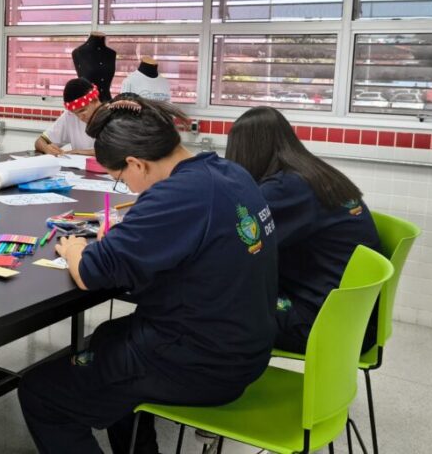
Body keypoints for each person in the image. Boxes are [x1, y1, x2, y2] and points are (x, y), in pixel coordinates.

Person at [19, 95, 278, 454]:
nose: (126, 188)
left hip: (202, 362)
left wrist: (76, 249)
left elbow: (93, 272)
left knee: (40, 392)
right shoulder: (229, 172)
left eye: (120, 179)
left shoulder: (176, 194)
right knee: (108, 337)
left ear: (136, 163)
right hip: (240, 345)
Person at [226, 106, 381, 353]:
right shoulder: (312, 173)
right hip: (352, 315)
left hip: (324, 323)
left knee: (212, 311)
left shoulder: (285, 188)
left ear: (246, 152)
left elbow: (231, 242)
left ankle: (204, 387)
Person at [34, 78, 102, 156]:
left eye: (82, 111)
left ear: (95, 100)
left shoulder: (114, 116)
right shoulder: (70, 116)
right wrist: (46, 148)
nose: (80, 117)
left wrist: (79, 152)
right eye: (75, 113)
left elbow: (116, 152)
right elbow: (39, 141)